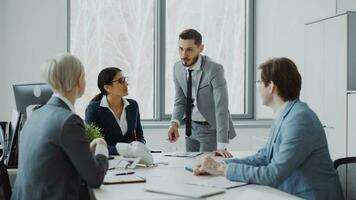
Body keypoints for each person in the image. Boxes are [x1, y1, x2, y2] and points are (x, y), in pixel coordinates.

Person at [194, 57, 344, 200]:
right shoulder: (285, 114)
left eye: (259, 81)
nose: (257, 86)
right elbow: (264, 157)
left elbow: (272, 175)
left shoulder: (300, 120)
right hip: (290, 194)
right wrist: (221, 164)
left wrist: (221, 170)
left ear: (271, 86)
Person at [12, 53, 108, 200]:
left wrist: (85, 152)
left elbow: (54, 159)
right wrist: (101, 147)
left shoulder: (35, 115)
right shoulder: (69, 120)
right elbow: (95, 179)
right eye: (83, 76)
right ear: (78, 81)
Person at [167, 29, 236, 157]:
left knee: (207, 170)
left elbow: (221, 107)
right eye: (181, 49)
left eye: (189, 49)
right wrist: (174, 123)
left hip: (210, 129)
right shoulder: (177, 68)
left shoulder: (214, 70)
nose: (183, 54)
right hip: (190, 128)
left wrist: (222, 146)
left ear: (201, 48)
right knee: (189, 167)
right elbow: (180, 101)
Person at [85, 67, 145, 155]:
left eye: (125, 79)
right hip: (107, 161)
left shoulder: (133, 106)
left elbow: (140, 137)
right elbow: (93, 144)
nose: (126, 83)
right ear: (107, 87)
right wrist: (125, 150)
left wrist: (139, 147)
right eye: (121, 81)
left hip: (132, 159)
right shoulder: (94, 109)